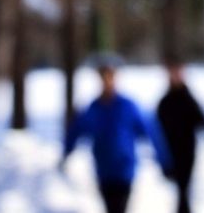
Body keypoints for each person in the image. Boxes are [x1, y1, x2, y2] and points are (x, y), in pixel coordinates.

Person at [61, 55, 172, 213]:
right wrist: (66, 152)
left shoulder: (128, 106)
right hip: (103, 170)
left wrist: (164, 160)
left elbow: (151, 131)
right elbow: (76, 131)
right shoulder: (94, 108)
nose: (107, 81)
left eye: (110, 77)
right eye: (103, 77)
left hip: (125, 170)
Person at [156, 58, 204, 213]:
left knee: (184, 189)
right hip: (169, 152)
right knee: (180, 190)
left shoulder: (188, 100)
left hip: (187, 151)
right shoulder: (164, 102)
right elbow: (155, 129)